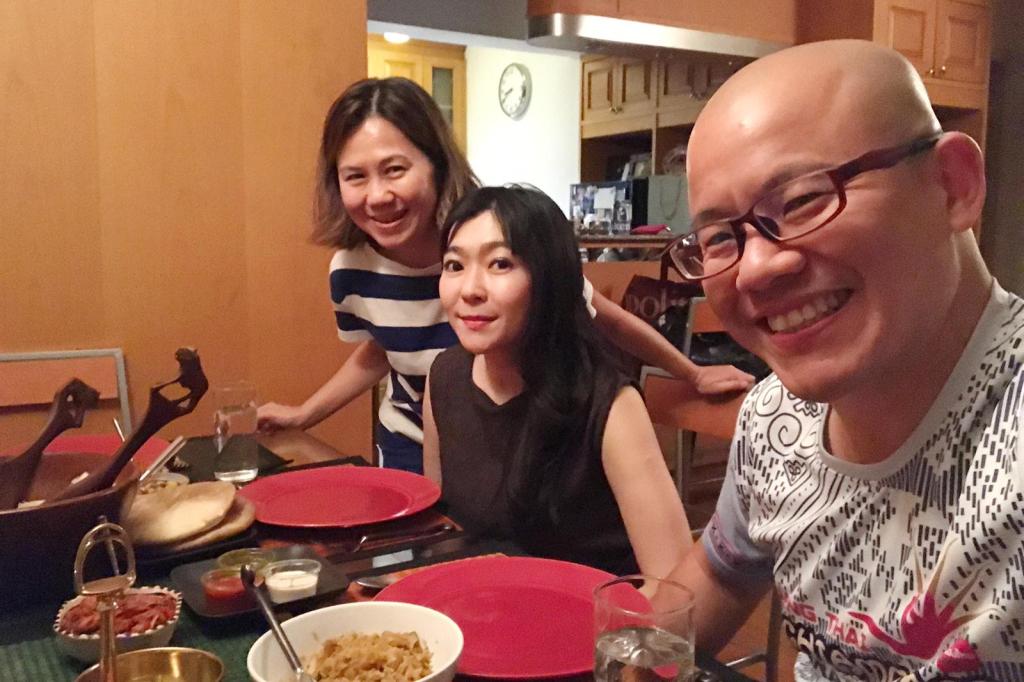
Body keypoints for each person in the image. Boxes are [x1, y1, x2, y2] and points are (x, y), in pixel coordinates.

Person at [660, 39, 1024, 680]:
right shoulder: (776, 419)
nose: (757, 269)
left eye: (801, 199)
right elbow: (708, 584)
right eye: (719, 238)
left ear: (952, 186)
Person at [257, 77, 754, 472]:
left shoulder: (495, 244)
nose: (378, 196)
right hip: (409, 450)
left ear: (435, 166)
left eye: (394, 169)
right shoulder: (351, 272)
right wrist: (306, 414)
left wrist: (691, 372)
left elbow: (605, 317)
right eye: (355, 177)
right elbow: (381, 350)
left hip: (509, 446)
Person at [423, 185, 690, 576]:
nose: (470, 290)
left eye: (500, 264)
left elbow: (672, 581)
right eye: (454, 265)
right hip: (483, 614)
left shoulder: (609, 403)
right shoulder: (444, 377)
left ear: (552, 278)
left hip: (592, 627)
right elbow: (443, 534)